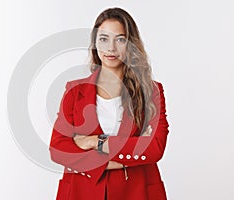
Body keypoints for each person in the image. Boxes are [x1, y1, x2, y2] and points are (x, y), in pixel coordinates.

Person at [49, 7, 169, 200]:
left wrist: (93, 141)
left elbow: (154, 148)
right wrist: (128, 156)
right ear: (95, 43)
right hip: (82, 192)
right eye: (104, 39)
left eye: (120, 39)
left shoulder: (151, 91)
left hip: (136, 192)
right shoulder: (74, 91)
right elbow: (58, 149)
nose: (111, 48)